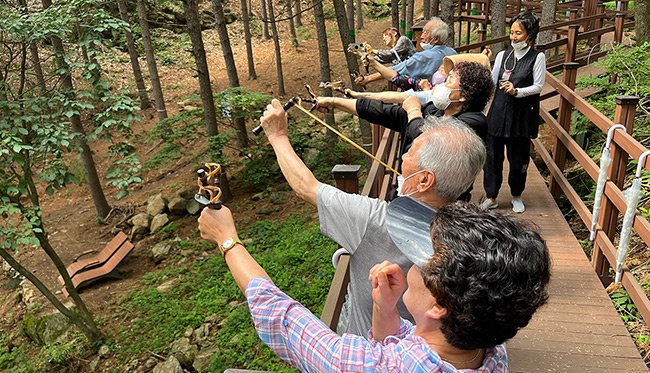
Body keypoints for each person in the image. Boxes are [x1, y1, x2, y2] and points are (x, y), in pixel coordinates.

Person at [197, 201, 551, 371]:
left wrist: (227, 239)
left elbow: (283, 317)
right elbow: (406, 350)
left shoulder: (368, 367)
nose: (410, 261)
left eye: (421, 256)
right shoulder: (489, 349)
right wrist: (385, 309)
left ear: (438, 306)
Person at [258, 106, 486, 336]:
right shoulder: (470, 235)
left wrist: (277, 136)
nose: (404, 156)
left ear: (425, 180)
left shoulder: (375, 220)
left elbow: (305, 186)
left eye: (410, 152)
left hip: (364, 352)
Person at [481, 11, 546, 213]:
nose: (514, 37)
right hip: (498, 115)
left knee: (518, 160)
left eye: (518, 33)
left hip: (521, 117)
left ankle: (516, 195)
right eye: (512, 33)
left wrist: (517, 91)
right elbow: (492, 81)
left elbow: (538, 86)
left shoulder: (537, 57)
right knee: (492, 158)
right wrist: (485, 64)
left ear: (530, 35)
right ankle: (491, 196)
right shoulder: (503, 55)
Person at [353, 17, 456, 90]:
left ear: (436, 38)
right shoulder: (452, 52)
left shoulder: (418, 52)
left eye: (425, 32)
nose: (421, 36)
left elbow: (394, 69)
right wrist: (362, 54)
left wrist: (368, 78)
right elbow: (384, 59)